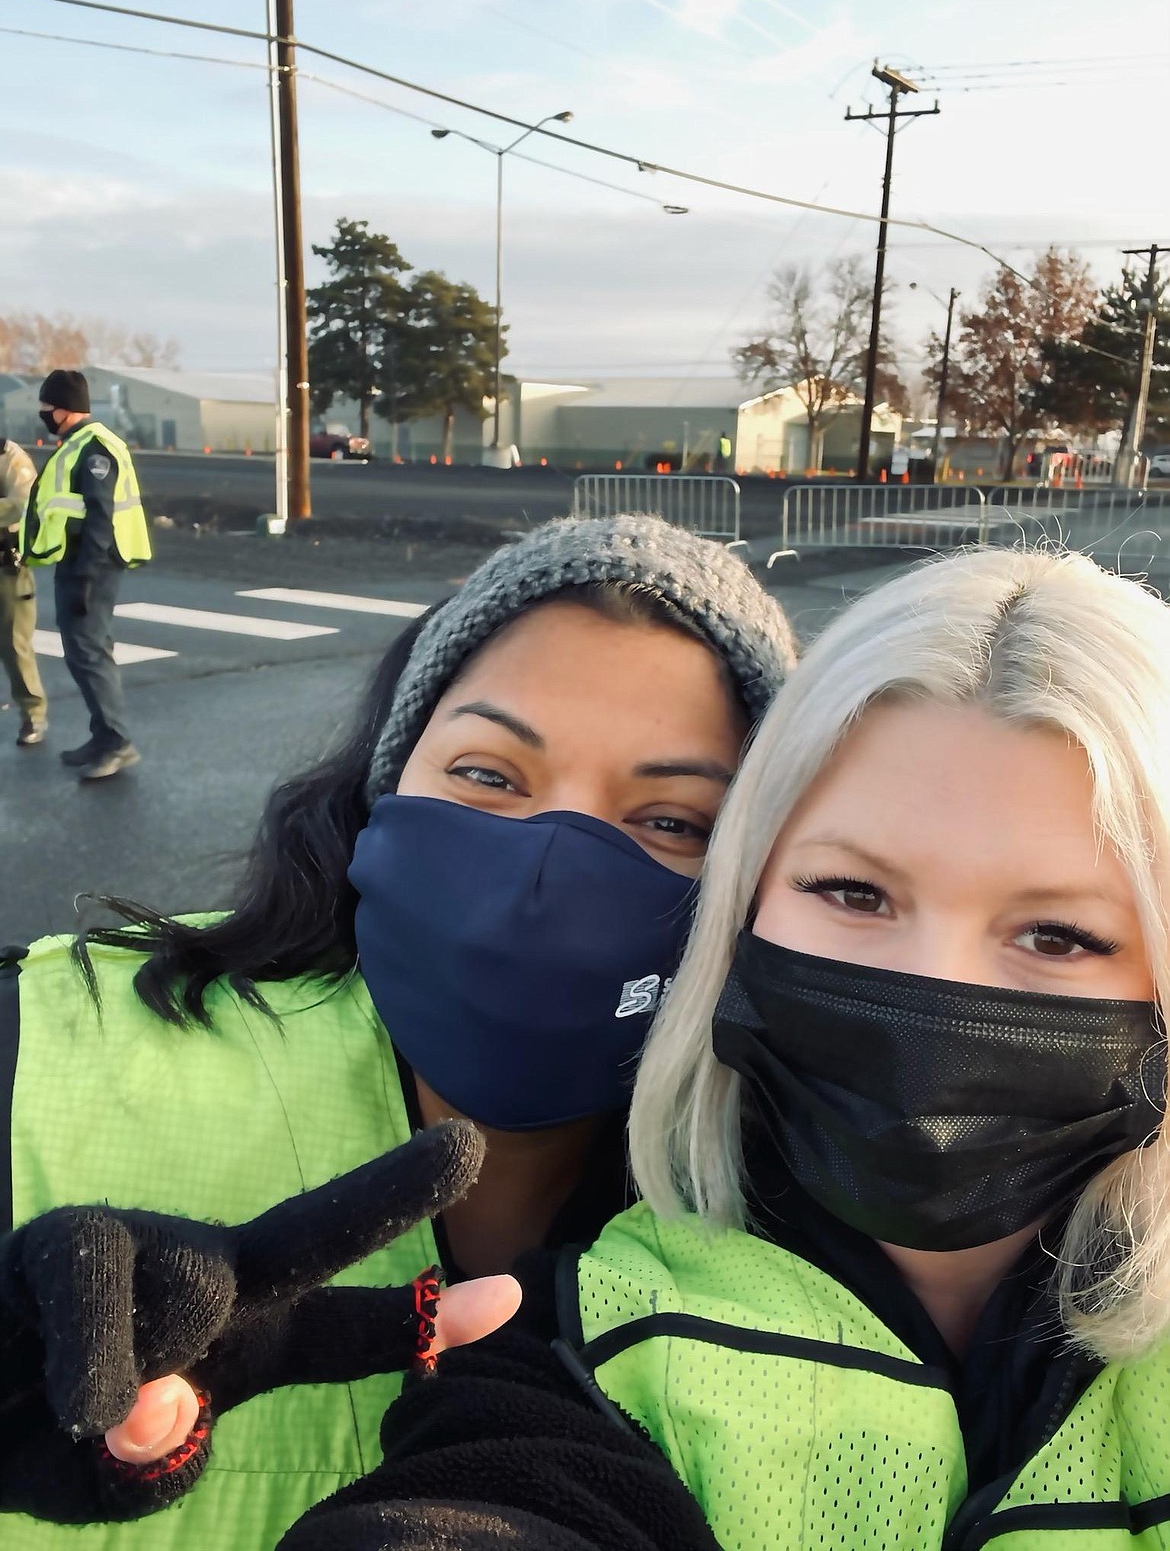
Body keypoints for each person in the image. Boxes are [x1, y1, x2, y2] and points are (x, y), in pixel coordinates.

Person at [288, 545, 1170, 1551]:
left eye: (1058, 936)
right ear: (742, 905)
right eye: (853, 892)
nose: (935, 984)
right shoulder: (601, 1337)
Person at [0, 513, 796, 1551]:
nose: (545, 871)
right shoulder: (44, 1049)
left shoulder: (801, 1229)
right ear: (385, 790)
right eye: (489, 775)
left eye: (673, 821)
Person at [20, 370, 152, 780]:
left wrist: (85, 577)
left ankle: (116, 743)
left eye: (47, 406)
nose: (44, 413)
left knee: (89, 652)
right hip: (78, 561)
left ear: (65, 408)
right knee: (85, 651)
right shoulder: (77, 444)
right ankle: (102, 735)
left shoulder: (94, 449)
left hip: (92, 564)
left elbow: (100, 516)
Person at [0, 436, 47, 745]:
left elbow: (23, 504)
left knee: (15, 646)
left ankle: (33, 715)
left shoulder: (10, 457)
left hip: (6, 566)